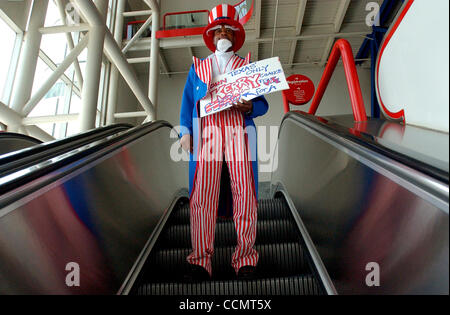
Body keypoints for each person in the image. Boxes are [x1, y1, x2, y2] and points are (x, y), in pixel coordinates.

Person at [179, 3, 269, 281]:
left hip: (239, 129)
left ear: (235, 33)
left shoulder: (248, 66)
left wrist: (249, 108)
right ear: (211, 34)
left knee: (245, 190)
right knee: (202, 193)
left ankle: (245, 259)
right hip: (206, 130)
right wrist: (184, 131)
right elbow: (186, 103)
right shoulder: (198, 68)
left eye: (227, 28)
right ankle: (200, 260)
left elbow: (263, 104)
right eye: (218, 29)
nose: (222, 33)